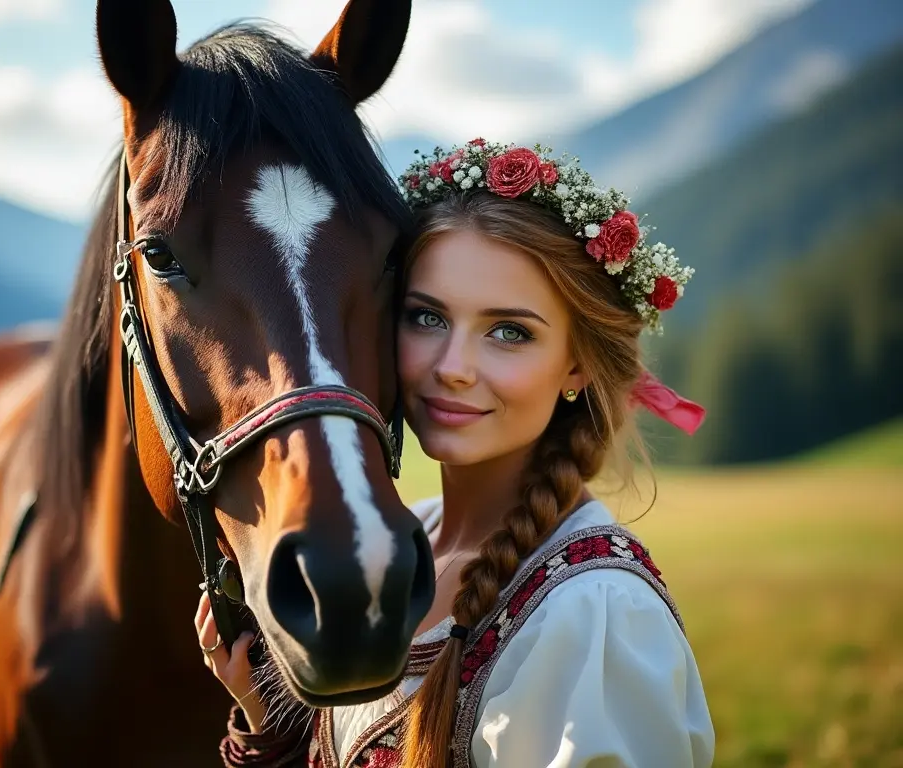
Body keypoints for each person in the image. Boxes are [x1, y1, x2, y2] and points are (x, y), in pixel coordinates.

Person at [195, 138, 716, 767]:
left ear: (577, 364)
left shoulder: (593, 612)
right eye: (427, 318)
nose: (454, 368)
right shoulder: (403, 545)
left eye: (509, 332)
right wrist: (267, 719)